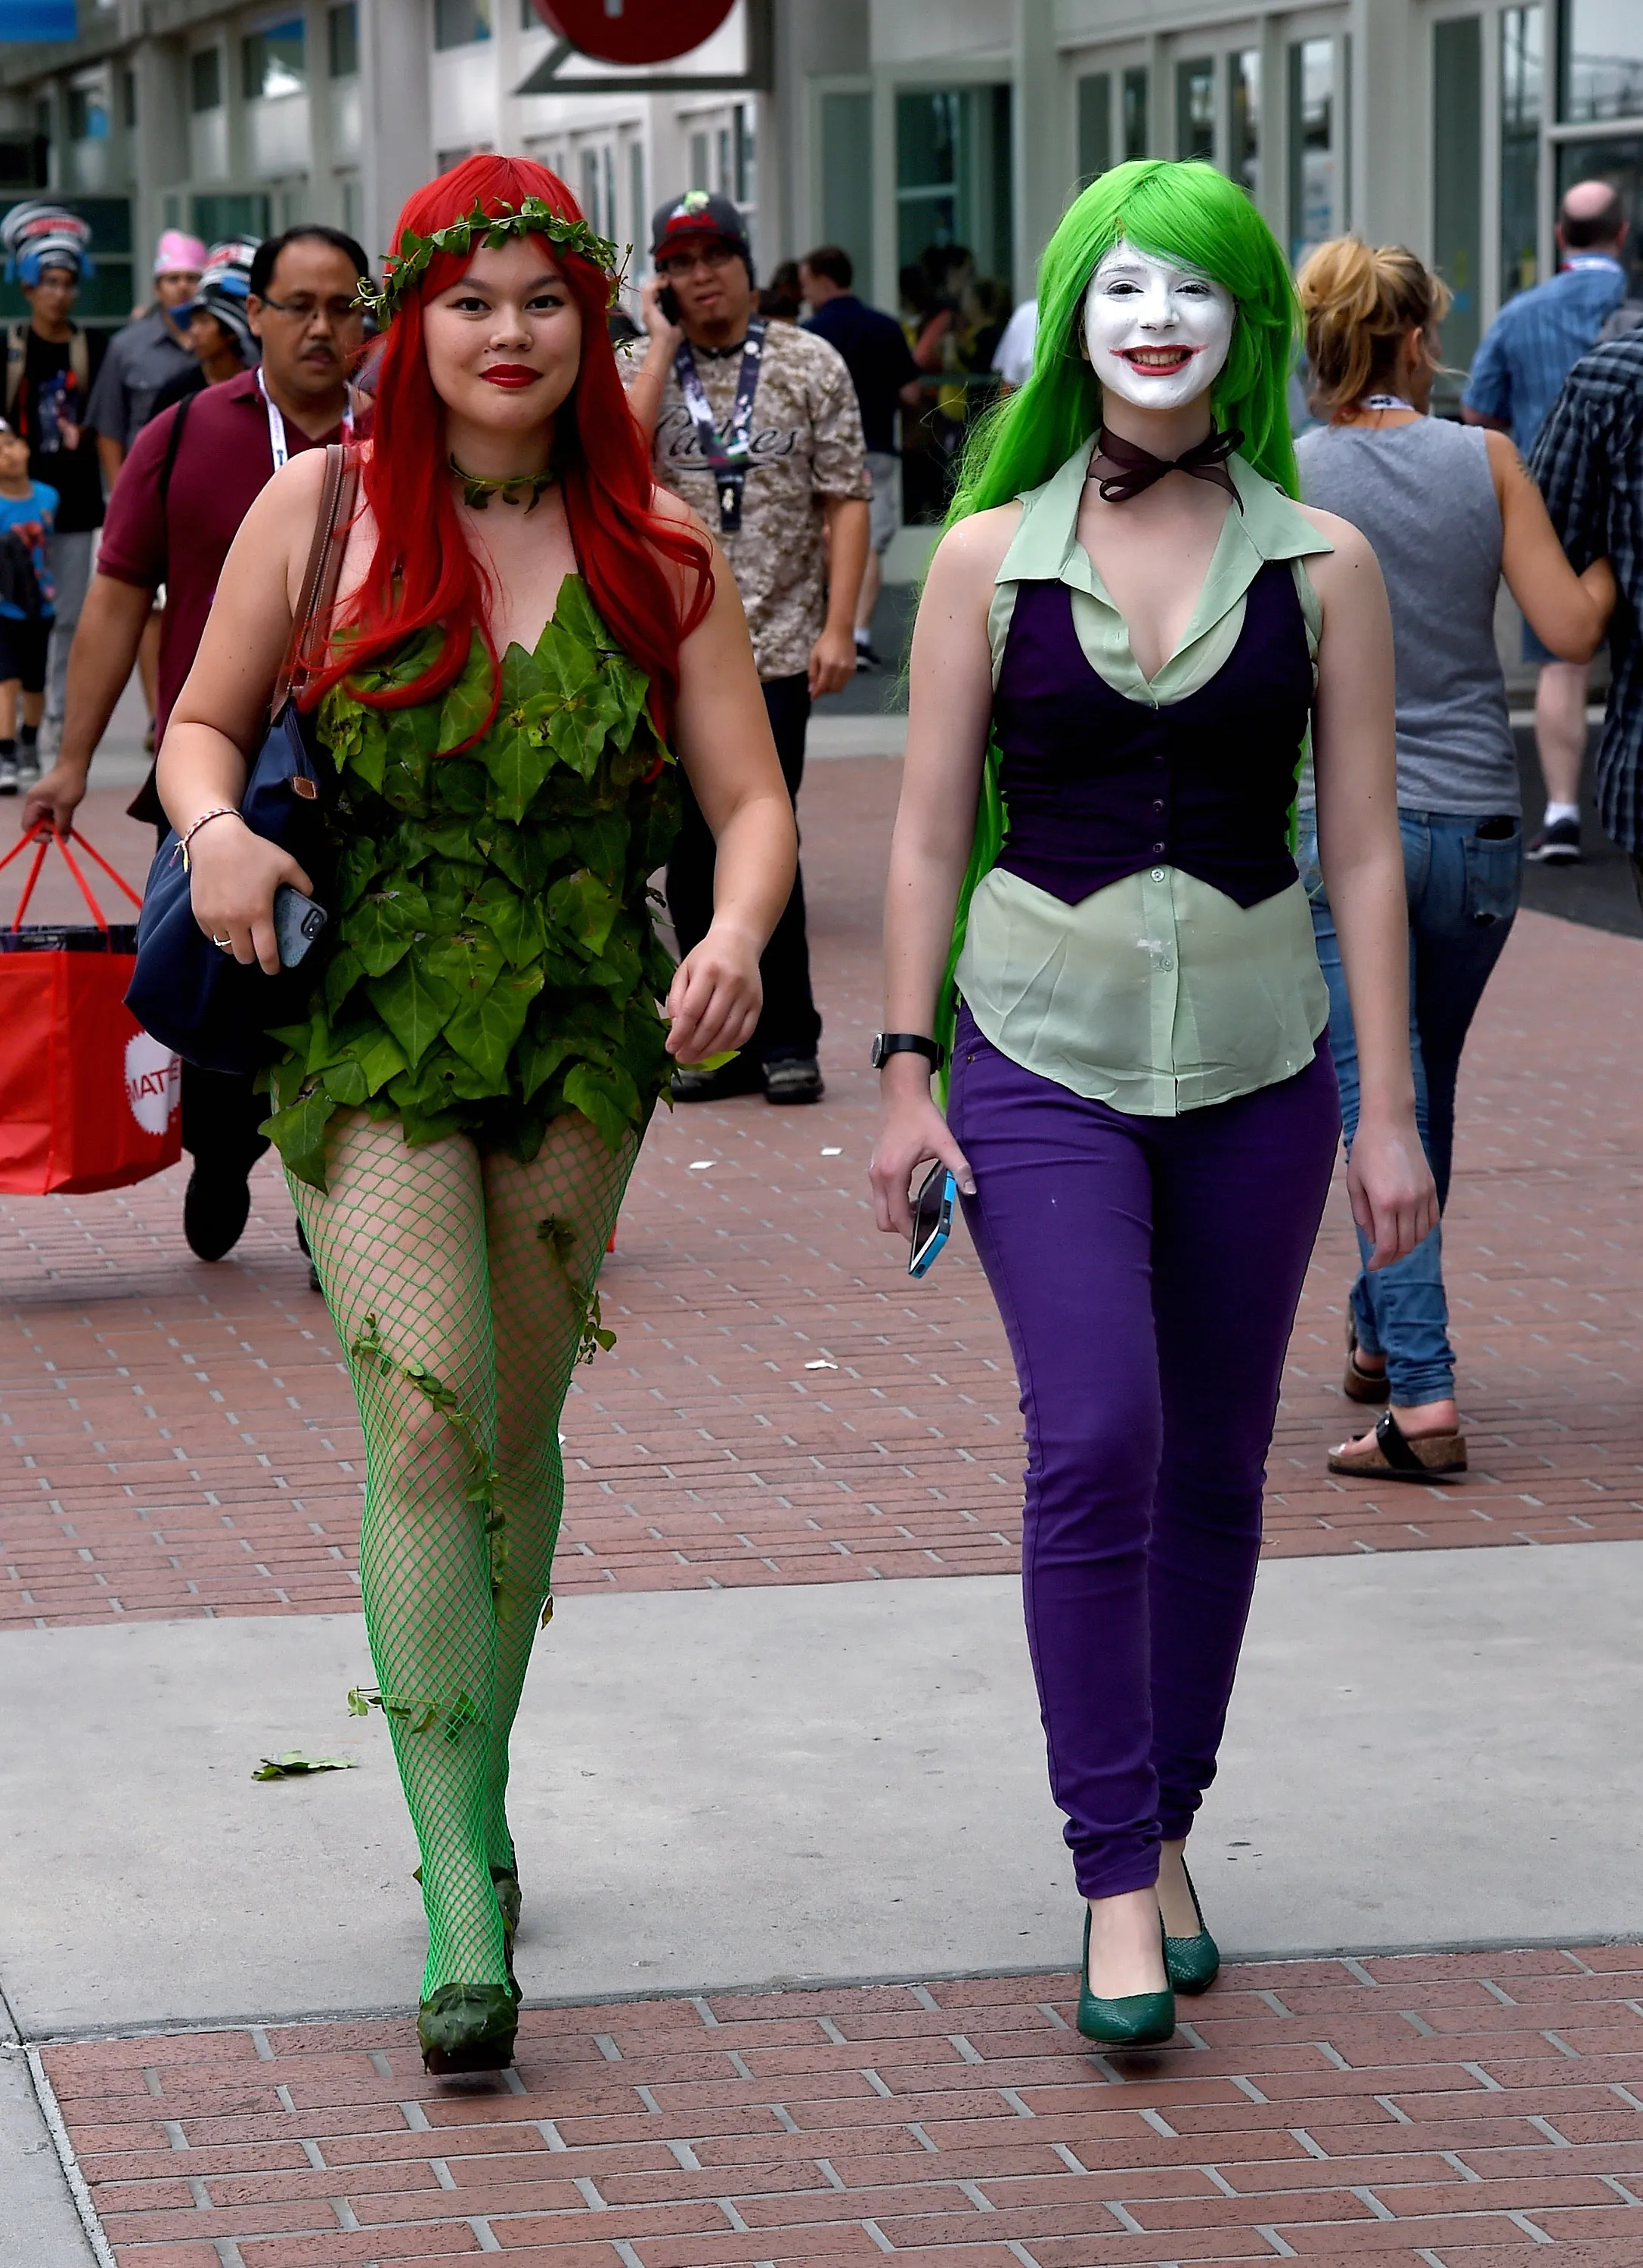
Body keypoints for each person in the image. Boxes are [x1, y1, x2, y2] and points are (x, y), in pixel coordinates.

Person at [156, 153, 795, 2074]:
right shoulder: (320, 503)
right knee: (426, 1427)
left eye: (538, 299)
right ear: (411, 329)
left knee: (514, 1434)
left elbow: (752, 801)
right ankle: (457, 1884)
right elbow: (198, 722)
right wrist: (209, 832)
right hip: (364, 1013)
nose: (505, 334)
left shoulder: (654, 538)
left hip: (589, 1016)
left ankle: (475, 1776)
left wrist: (744, 933)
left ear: (582, 323)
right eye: (468, 301)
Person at [869, 160, 1437, 2047]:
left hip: (1266, 1061)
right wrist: (899, 1071)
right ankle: (1110, 1866)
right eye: (1121, 284)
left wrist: (1389, 1114)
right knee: (1096, 1432)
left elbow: (1359, 847)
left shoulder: (1322, 561)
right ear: (1072, 312)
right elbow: (933, 828)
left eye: (1191, 288)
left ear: (1242, 319)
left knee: (1211, 1463)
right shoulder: (980, 555)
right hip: (1037, 1051)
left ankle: (1169, 1826)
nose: (1156, 317)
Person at [1294, 240, 1614, 1477]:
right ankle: (1378, 1341)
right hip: (1479, 830)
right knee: (1419, 1093)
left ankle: (1421, 1398)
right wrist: (1604, 544)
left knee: (1382, 1103)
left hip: (1346, 835)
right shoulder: (1482, 461)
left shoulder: (1289, 478)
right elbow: (1566, 626)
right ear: (1419, 340)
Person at [22, 225, 370, 1267]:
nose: (320, 327)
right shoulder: (183, 436)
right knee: (228, 997)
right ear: (250, 313)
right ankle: (222, 1155)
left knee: (348, 994)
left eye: (342, 306)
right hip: (218, 781)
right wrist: (74, 759)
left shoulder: (404, 438)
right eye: (296, 304)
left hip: (365, 782)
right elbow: (117, 605)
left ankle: (335, 1217)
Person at [626, 188, 870, 1107]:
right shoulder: (635, 364)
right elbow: (620, 460)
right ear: (662, 278)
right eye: (680, 265)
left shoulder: (809, 361)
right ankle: (710, 1042)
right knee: (686, 846)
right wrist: (655, 345)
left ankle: (787, 1039)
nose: (701, 279)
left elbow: (845, 498)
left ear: (745, 262)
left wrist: (839, 626)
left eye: (715, 259)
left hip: (773, 643)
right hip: (665, 648)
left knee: (766, 834)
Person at [1464, 181, 1629, 864]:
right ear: (1621, 235)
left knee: (1563, 663)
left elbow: (1477, 410)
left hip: (1555, 516)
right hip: (1638, 504)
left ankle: (1561, 813)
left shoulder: (1519, 314)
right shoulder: (1632, 309)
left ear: (1560, 236)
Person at [1528, 324, 1643, 907]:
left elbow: (1547, 543)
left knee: (1561, 668)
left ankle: (1560, 809)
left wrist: (1611, 563)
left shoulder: (1613, 375)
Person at [0, 202, 106, 775]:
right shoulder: (10, 348)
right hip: (10, 505)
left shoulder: (95, 348)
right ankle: (9, 726)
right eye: (48, 284)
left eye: (67, 284)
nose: (58, 295)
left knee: (64, 615)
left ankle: (57, 723)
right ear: (27, 286)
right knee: (9, 614)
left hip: (74, 505)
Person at [799, 243, 921, 671]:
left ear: (823, 280)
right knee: (866, 542)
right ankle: (859, 632)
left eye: (807, 284)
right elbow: (909, 392)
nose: (805, 293)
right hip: (876, 444)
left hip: (819, 451)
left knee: (826, 535)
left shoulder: (810, 336)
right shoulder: (884, 328)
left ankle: (827, 627)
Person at [85, 229, 206, 482]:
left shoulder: (227, 342)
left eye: (192, 278)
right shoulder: (126, 346)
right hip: (147, 481)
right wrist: (120, 497)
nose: (183, 287)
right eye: (173, 279)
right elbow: (109, 429)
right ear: (157, 288)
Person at [0, 417, 54, 794]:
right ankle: (4, 753)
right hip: (4, 607)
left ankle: (30, 741)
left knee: (35, 681)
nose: (8, 455)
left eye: (11, 444)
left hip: (41, 606)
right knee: (7, 680)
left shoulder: (49, 497)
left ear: (26, 446)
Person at [150, 240, 259, 414]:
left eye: (204, 322)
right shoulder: (177, 392)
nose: (194, 331)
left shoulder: (259, 389)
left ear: (230, 333)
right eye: (193, 322)